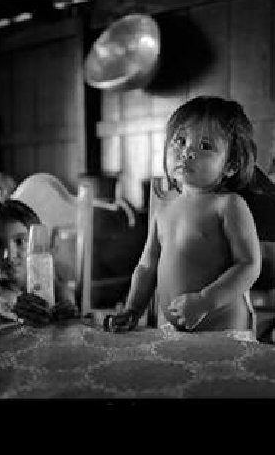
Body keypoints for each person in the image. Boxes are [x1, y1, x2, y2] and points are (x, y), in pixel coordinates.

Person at [109, 96, 262, 334]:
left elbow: (249, 265)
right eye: (180, 141)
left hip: (224, 335)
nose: (187, 151)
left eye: (205, 146)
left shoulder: (228, 205)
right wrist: (133, 309)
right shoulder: (164, 207)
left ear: (230, 165)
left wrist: (205, 300)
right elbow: (147, 266)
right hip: (172, 334)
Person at [0, 198, 78, 326]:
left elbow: (67, 299)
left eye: (20, 241)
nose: (9, 255)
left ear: (37, 245)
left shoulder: (50, 285)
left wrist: (67, 305)